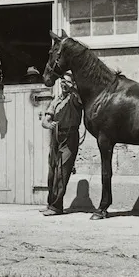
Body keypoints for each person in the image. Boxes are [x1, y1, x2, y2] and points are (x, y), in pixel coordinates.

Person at [40, 70, 83, 216]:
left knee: (62, 172)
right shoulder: (57, 100)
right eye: (62, 81)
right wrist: (48, 124)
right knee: (52, 172)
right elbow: (45, 120)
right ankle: (50, 203)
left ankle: (57, 207)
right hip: (56, 137)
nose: (64, 84)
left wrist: (73, 87)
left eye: (67, 81)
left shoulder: (75, 98)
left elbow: (80, 98)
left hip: (69, 137)